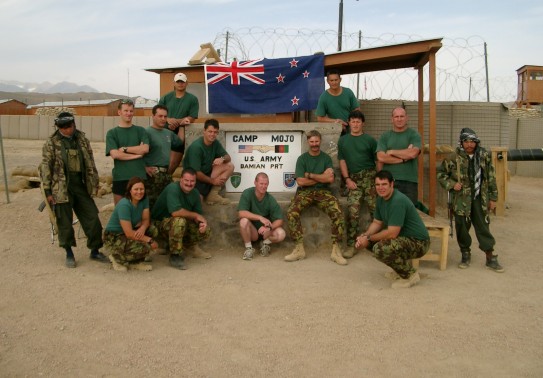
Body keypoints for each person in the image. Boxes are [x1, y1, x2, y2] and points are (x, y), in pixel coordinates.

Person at [39, 112, 108, 268]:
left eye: (68, 127)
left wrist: (94, 183)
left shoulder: (82, 139)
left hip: (81, 186)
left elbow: (90, 161)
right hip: (61, 188)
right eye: (62, 128)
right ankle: (69, 252)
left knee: (92, 219)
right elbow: (46, 167)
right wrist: (48, 191)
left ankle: (95, 250)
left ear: (74, 124)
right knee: (64, 222)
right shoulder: (51, 143)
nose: (66, 130)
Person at [437, 128, 504, 272]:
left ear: (476, 142)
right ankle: (465, 254)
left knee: (483, 226)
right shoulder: (453, 157)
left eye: (472, 141)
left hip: (480, 198)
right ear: (461, 142)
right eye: (466, 141)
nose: (469, 144)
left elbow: (490, 177)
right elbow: (441, 174)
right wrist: (452, 184)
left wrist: (493, 197)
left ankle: (490, 256)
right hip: (461, 199)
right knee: (461, 227)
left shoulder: (483, 156)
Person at [355, 170, 430, 289]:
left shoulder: (397, 201)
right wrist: (365, 235)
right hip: (404, 238)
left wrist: (368, 238)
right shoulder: (380, 199)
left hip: (419, 242)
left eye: (384, 184)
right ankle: (400, 271)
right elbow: (377, 222)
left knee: (380, 249)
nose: (381, 188)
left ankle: (410, 275)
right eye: (378, 185)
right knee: (371, 244)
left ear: (391, 184)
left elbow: (392, 233)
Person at [285, 130, 347, 265]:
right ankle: (299, 249)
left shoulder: (326, 158)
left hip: (323, 193)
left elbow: (330, 179)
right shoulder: (302, 159)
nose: (314, 144)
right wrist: (321, 177)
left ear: (320, 141)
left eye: (316, 141)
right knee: (291, 212)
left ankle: (336, 250)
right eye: (312, 142)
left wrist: (310, 175)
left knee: (338, 213)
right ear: (308, 142)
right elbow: (300, 182)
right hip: (304, 192)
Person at [151, 168, 211, 270]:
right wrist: (196, 216)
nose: (189, 183)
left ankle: (192, 248)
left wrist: (201, 222)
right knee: (179, 221)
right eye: (186, 180)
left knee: (206, 230)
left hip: (177, 224)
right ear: (181, 179)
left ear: (195, 182)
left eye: (192, 181)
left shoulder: (195, 193)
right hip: (159, 225)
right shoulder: (173, 188)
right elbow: (175, 212)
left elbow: (197, 215)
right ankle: (175, 256)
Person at [338, 110, 377, 259]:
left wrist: (378, 181)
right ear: (349, 123)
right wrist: (347, 179)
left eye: (358, 122)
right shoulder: (343, 141)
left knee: (376, 212)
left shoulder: (370, 140)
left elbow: (378, 160)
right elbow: (342, 160)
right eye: (353, 121)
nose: (355, 124)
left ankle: (377, 243)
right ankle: (351, 245)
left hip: (370, 179)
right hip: (353, 181)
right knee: (352, 212)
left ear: (363, 124)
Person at [103, 177, 159, 272]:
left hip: (129, 231)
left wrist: (142, 228)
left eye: (141, 189)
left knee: (153, 230)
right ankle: (116, 257)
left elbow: (146, 219)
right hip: (115, 235)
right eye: (136, 189)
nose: (139, 192)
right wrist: (149, 240)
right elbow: (129, 233)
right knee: (145, 246)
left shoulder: (144, 200)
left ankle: (136, 262)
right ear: (130, 191)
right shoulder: (124, 205)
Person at [106, 99, 149, 205]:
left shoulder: (140, 131)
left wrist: (125, 149)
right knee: (121, 211)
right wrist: (137, 155)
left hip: (139, 177)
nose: (129, 113)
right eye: (126, 111)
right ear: (119, 112)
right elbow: (115, 154)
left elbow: (145, 149)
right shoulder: (112, 133)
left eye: (131, 111)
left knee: (140, 212)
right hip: (121, 177)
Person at [183, 118, 234, 205]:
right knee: (199, 201)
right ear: (204, 131)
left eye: (215, 132)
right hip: (195, 179)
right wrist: (213, 181)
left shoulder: (215, 143)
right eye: (210, 131)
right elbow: (196, 173)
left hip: (208, 174)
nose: (212, 134)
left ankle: (212, 195)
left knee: (229, 166)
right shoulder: (196, 147)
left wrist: (222, 159)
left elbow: (228, 157)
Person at [376, 107, 422, 205]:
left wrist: (391, 151)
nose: (399, 119)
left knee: (409, 214)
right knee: (389, 213)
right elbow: (381, 157)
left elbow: (413, 153)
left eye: (402, 116)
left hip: (409, 182)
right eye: (396, 116)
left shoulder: (414, 135)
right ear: (391, 119)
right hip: (389, 181)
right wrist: (404, 159)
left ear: (407, 118)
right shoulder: (385, 136)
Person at [238, 172, 286, 260]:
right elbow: (241, 213)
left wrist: (269, 228)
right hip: (253, 232)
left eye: (266, 184)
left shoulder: (270, 199)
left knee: (281, 234)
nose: (264, 186)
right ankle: (249, 248)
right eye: (261, 183)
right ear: (255, 183)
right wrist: (260, 217)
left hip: (265, 233)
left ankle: (265, 244)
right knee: (243, 220)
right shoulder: (247, 193)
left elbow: (280, 220)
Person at [144, 104, 184, 210]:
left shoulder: (168, 133)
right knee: (150, 206)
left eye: (165, 116)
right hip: (151, 177)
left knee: (166, 204)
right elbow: (138, 153)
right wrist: (143, 167)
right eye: (160, 116)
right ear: (153, 116)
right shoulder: (146, 132)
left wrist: (182, 126)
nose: (163, 119)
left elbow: (180, 143)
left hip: (165, 175)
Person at [158, 72, 199, 174]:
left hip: (181, 132)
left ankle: (166, 178)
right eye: (178, 82)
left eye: (182, 82)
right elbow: (158, 113)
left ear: (187, 83)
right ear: (174, 83)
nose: (180, 84)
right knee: (161, 159)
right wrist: (168, 119)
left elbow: (192, 117)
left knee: (174, 162)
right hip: (165, 131)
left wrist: (177, 122)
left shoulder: (192, 99)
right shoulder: (165, 98)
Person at [315, 69, 360, 136]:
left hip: (351, 129)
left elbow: (357, 110)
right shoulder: (323, 97)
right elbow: (320, 118)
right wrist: (336, 121)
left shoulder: (348, 92)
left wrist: (350, 121)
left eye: (336, 80)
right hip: (334, 131)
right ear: (327, 81)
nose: (334, 82)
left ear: (340, 79)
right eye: (331, 80)